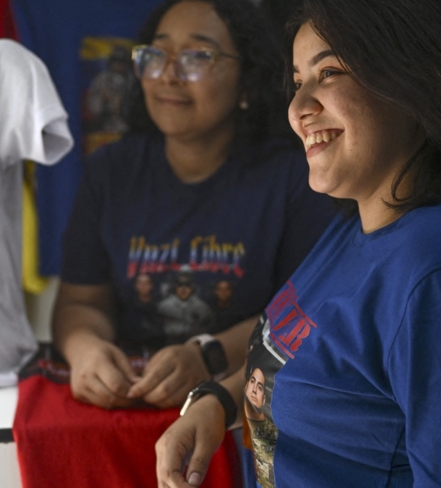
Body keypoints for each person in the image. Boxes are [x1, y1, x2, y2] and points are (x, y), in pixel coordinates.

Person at [155, 0, 441, 486]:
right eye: (298, 82)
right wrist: (216, 402)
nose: (298, 109)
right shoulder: (358, 224)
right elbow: (310, 367)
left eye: (330, 73)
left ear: (424, 81)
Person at [54, 0, 335, 411]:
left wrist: (209, 356)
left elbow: (307, 313)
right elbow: (80, 303)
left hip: (247, 401)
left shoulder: (294, 178)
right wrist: (85, 349)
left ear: (247, 81)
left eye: (196, 57)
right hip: (131, 398)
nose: (168, 75)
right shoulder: (110, 171)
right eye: (156, 55)